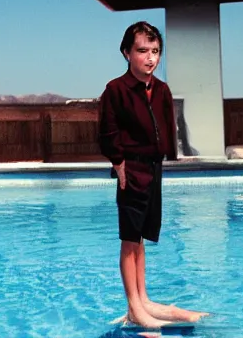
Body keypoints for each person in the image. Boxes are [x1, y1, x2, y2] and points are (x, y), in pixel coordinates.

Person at [98, 21, 208, 329]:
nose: (150, 58)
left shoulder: (160, 89)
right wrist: (119, 165)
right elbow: (107, 132)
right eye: (142, 51)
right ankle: (134, 307)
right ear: (126, 53)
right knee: (129, 238)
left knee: (142, 237)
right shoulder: (116, 90)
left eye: (156, 51)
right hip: (130, 168)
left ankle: (144, 299)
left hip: (153, 166)